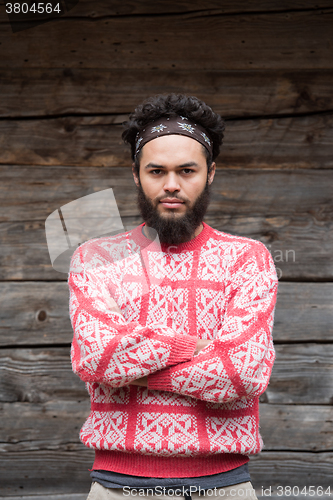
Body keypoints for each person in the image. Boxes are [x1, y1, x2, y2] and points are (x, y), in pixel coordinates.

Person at [68, 94, 278, 500]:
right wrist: (192, 347)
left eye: (187, 170)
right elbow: (96, 356)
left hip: (225, 486)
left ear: (210, 173)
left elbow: (242, 373)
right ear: (135, 175)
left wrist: (134, 371)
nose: (171, 185)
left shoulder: (247, 259)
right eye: (156, 171)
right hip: (116, 488)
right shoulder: (95, 259)